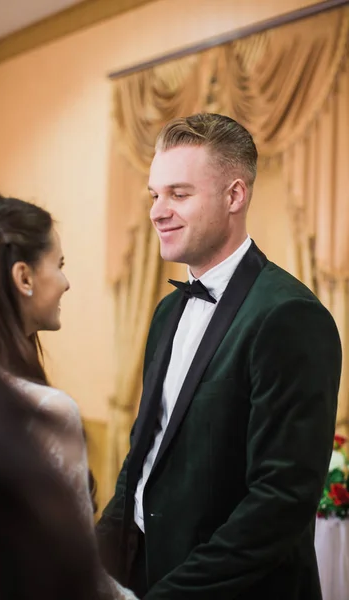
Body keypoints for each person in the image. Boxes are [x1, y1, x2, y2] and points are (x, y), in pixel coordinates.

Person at [97, 113, 342, 599]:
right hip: (147, 569)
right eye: (154, 195)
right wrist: (94, 560)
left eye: (179, 194)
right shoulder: (168, 310)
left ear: (235, 196)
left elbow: (279, 502)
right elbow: (146, 453)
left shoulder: (289, 315)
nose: (158, 211)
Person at [0, 192, 137, 600]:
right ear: (24, 277)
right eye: (61, 265)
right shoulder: (45, 411)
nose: (67, 282)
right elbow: (81, 581)